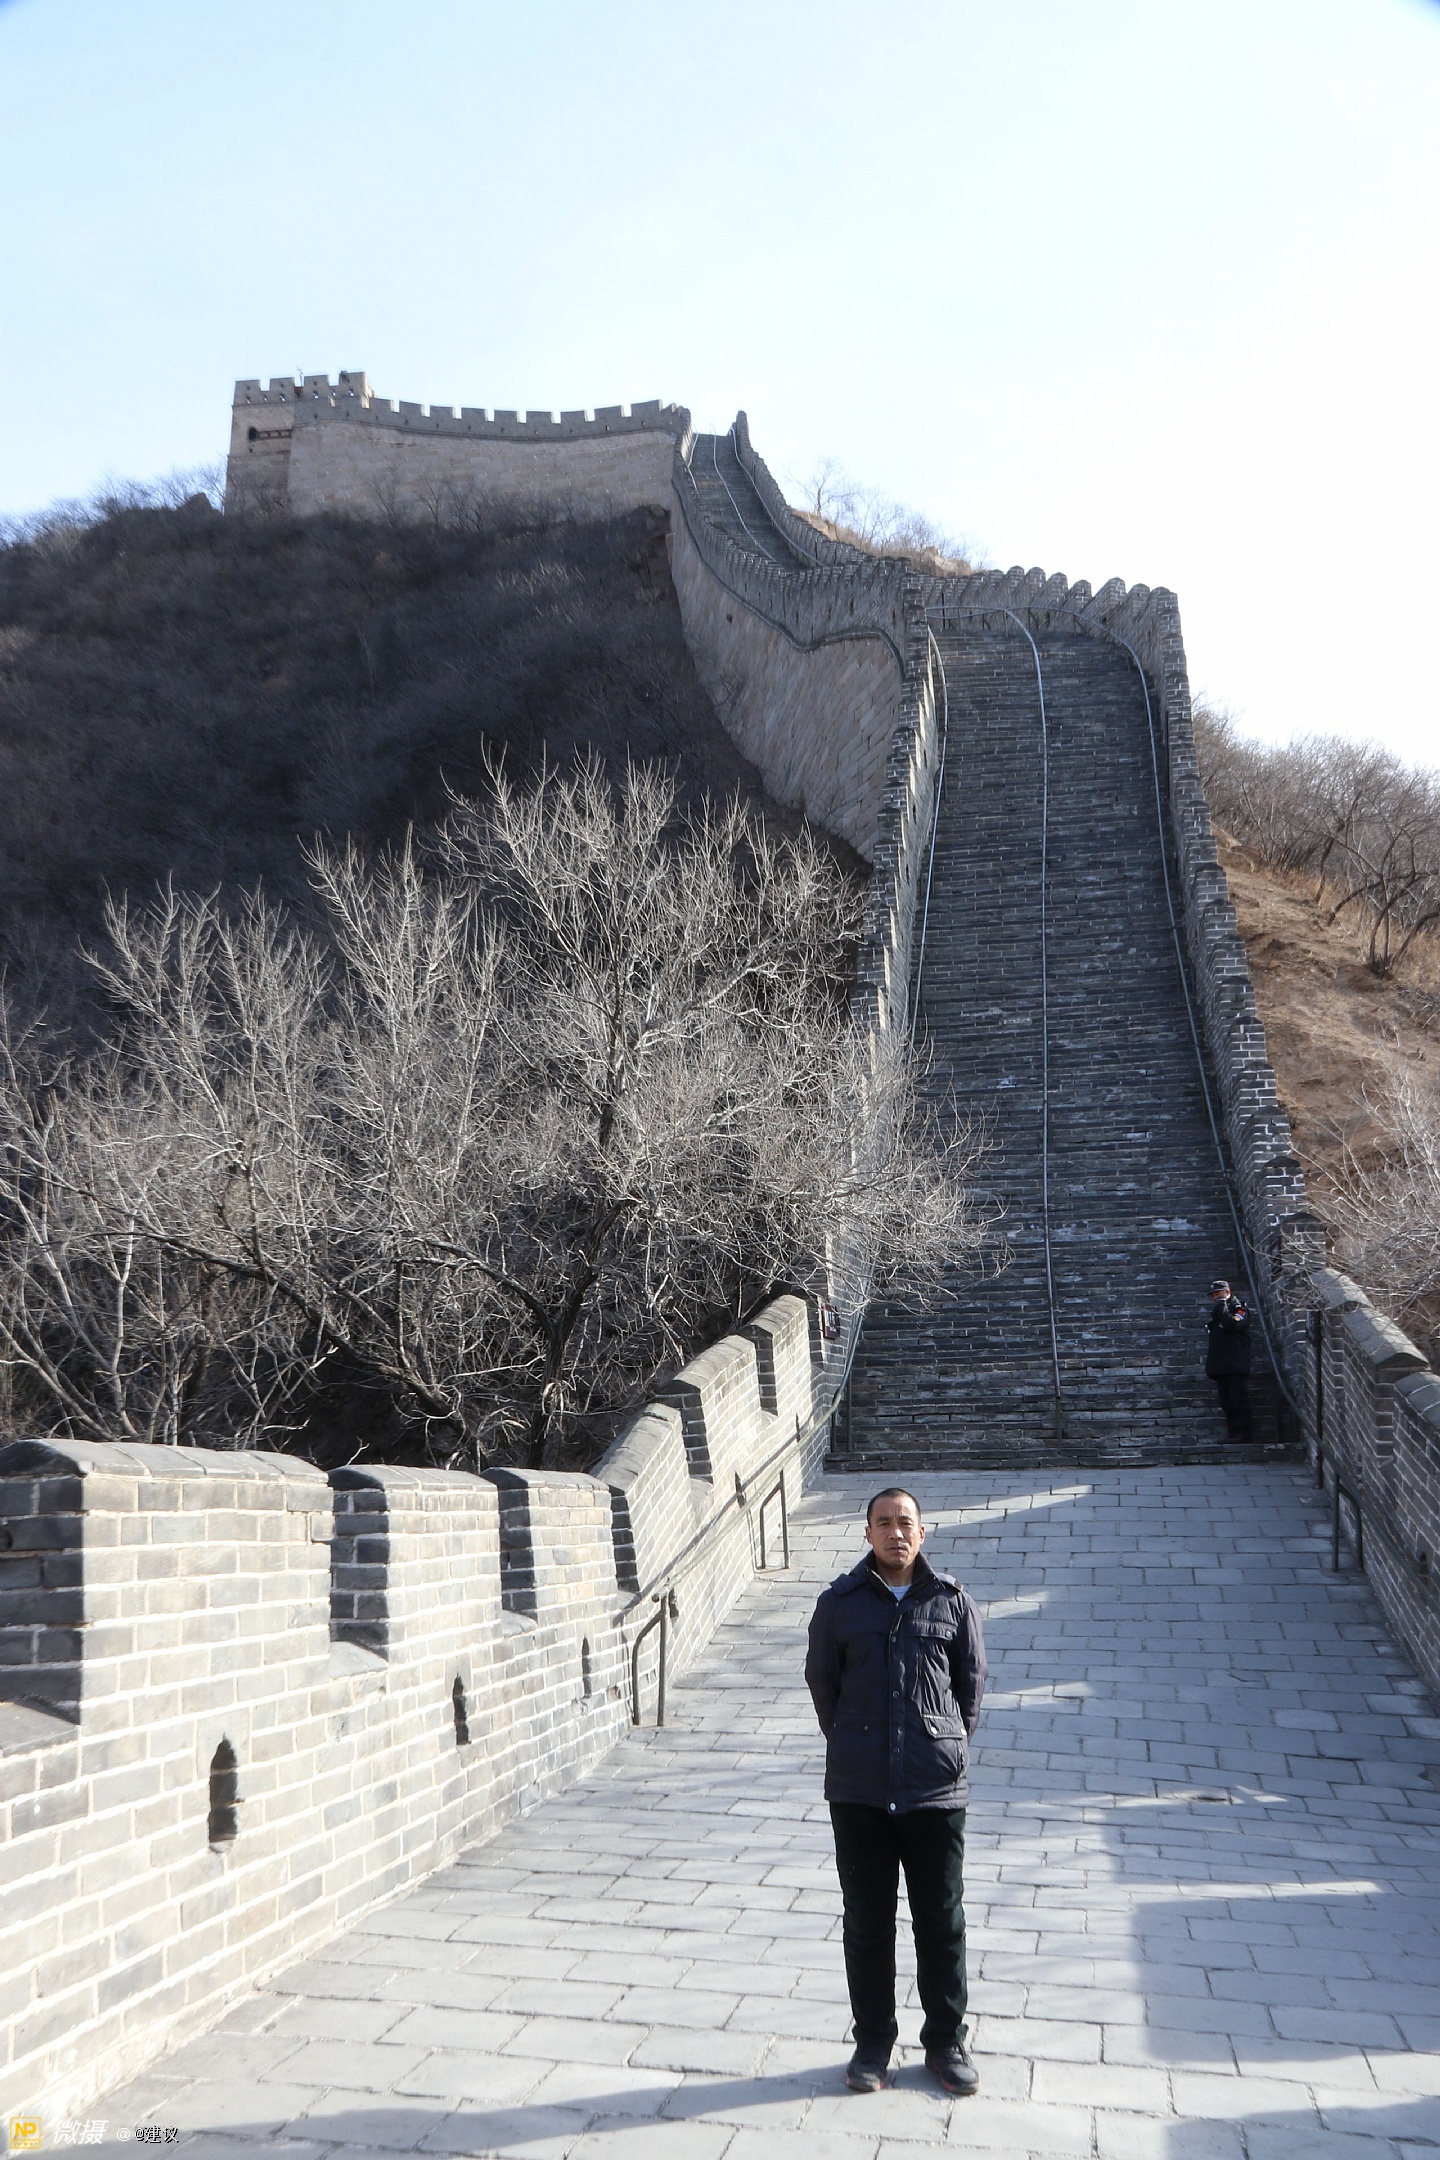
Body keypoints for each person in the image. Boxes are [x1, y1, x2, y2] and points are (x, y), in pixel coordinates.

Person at [804, 1486, 987, 2098]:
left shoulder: (952, 1602)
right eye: (883, 1523)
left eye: (905, 1522)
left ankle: (947, 2042)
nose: (895, 1532)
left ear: (922, 1532)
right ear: (867, 1534)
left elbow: (969, 1688)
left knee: (942, 1922)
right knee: (867, 1924)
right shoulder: (839, 1604)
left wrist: (941, 1745)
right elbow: (823, 1685)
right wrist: (857, 1741)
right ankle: (873, 2044)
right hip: (859, 1792)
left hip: (934, 1791)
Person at [1206, 1278, 1253, 1441]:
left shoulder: (1240, 1310)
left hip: (1236, 1364)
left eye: (1218, 1294)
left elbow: (1230, 1324)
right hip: (1221, 1366)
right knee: (1227, 1403)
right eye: (1213, 1295)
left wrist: (1222, 1303)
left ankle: (1244, 1434)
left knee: (1238, 1400)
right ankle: (1233, 1432)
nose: (1215, 1298)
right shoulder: (1218, 1312)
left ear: (1227, 1293)